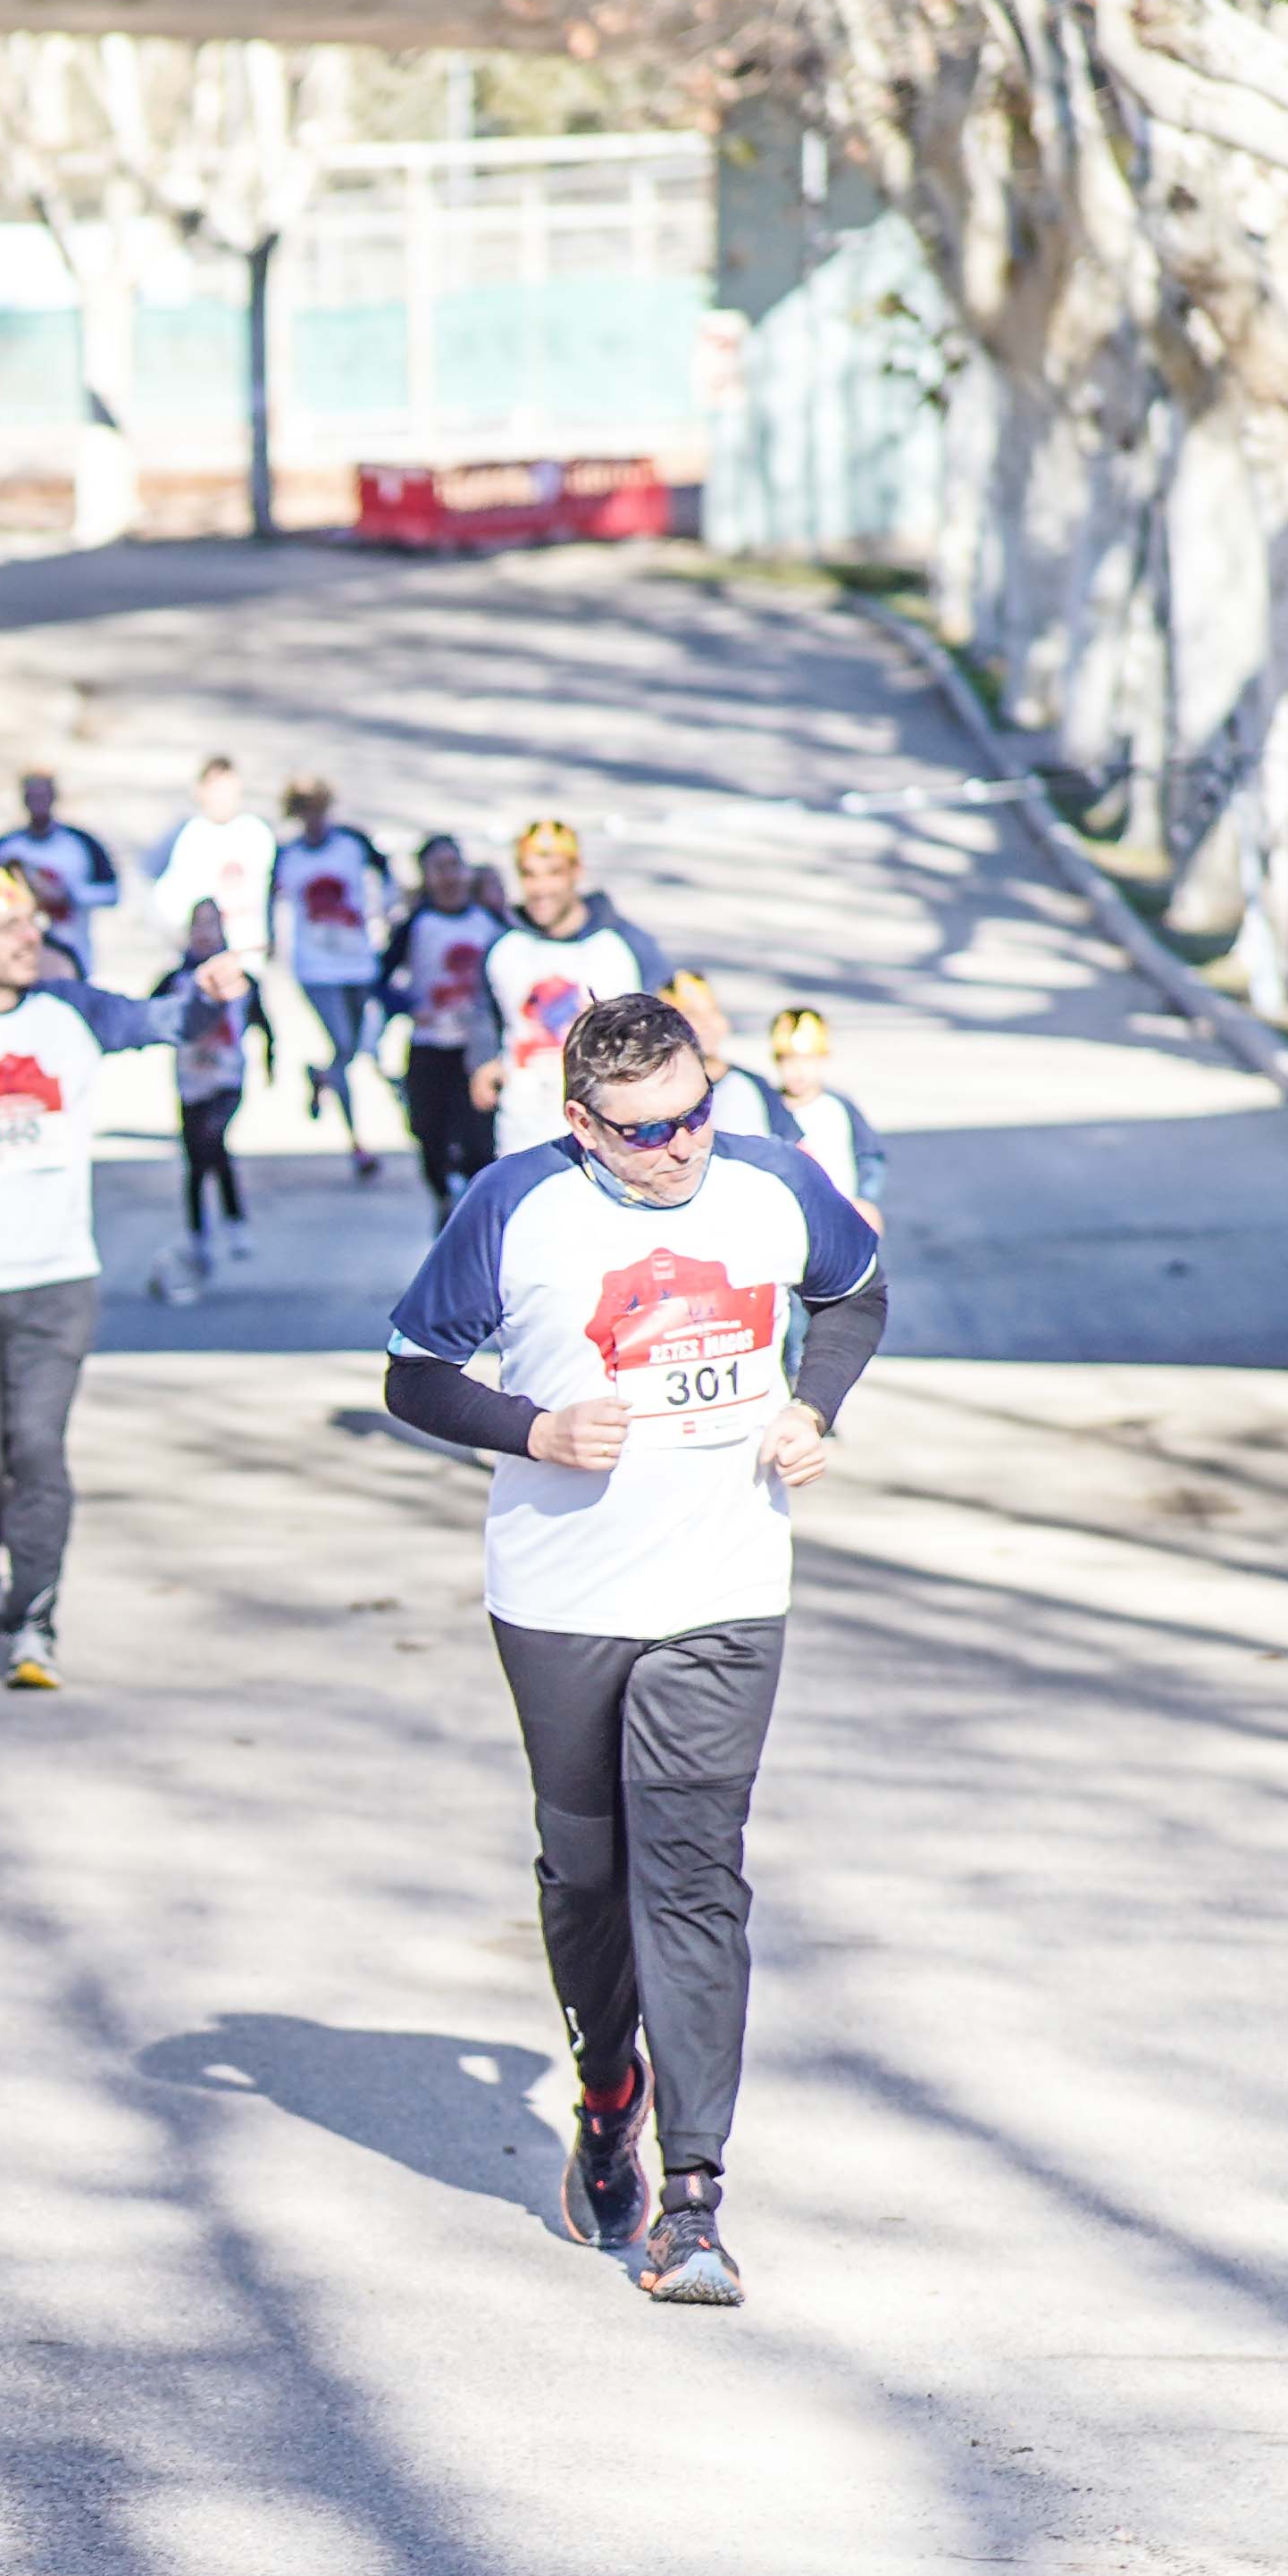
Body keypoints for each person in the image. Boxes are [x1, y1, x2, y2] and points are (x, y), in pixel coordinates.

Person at [383, 989, 890, 2311]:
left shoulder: (773, 1183)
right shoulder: (513, 1203)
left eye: (695, 1115)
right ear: (583, 1124)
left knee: (692, 1870)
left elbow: (856, 1295)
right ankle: (606, 2085)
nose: (680, 1148)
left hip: (725, 1588)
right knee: (588, 1870)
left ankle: (694, 2200)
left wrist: (810, 1408)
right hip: (557, 1594)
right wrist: (531, 1431)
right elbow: (411, 1368)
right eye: (646, 1130)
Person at [0, 864, 250, 1686]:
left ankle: (34, 1619)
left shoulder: (71, 1012)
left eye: (33, 923)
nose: (29, 939)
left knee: (37, 1449)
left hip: (57, 1273)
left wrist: (210, 994)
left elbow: (161, 1020)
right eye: (8, 929)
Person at [467, 821, 673, 1158]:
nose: (540, 887)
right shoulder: (504, 946)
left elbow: (670, 1021)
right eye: (529, 874)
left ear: (577, 872)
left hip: (613, 1135)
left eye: (553, 873)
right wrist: (482, 1060)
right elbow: (482, 1011)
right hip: (524, 1132)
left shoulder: (623, 944)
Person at [268, 776, 395, 1182]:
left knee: (355, 1046)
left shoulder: (353, 844)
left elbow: (388, 876)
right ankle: (357, 1142)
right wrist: (272, 942)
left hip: (357, 961)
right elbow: (270, 900)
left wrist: (386, 916)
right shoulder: (289, 856)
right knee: (342, 1042)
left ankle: (322, 1075)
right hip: (315, 967)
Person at [159, 895, 272, 1300]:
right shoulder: (176, 979)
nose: (205, 933)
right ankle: (198, 1234)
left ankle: (234, 1221)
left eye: (212, 925)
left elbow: (263, 1022)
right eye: (198, 925)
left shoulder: (241, 980)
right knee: (196, 1157)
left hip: (227, 1077)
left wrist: (271, 1061)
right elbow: (145, 1013)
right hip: (191, 1079)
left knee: (213, 1139)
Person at [390, 835, 504, 1215]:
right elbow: (380, 979)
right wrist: (407, 1005)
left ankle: (474, 1210)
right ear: (426, 876)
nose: (449, 876)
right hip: (429, 1045)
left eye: (455, 865)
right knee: (427, 1132)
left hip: (475, 1051)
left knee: (477, 1141)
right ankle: (442, 1195)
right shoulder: (416, 925)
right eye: (439, 869)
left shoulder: (487, 923)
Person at [146, 756, 270, 996]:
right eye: (217, 791)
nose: (223, 799)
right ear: (201, 792)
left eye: (229, 791)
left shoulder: (257, 833)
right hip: (199, 964)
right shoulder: (187, 834)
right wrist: (177, 933)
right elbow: (150, 884)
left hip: (246, 959)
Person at [0, 770, 121, 960]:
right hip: (15, 955)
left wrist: (68, 895)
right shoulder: (4, 848)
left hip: (73, 952)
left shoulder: (81, 843)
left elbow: (112, 892)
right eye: (32, 796)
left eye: (43, 795)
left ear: (54, 797)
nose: (38, 802)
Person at [762, 1007, 888, 1219]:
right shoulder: (769, 1109)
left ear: (823, 1058)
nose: (798, 1070)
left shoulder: (839, 1107)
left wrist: (864, 1200)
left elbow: (869, 1157)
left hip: (840, 1216)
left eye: (807, 1060)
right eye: (789, 1060)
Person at [660, 968, 789, 1143]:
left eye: (712, 1011)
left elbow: (797, 1154)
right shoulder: (656, 1092)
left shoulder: (753, 1086)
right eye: (691, 1014)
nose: (706, 1023)